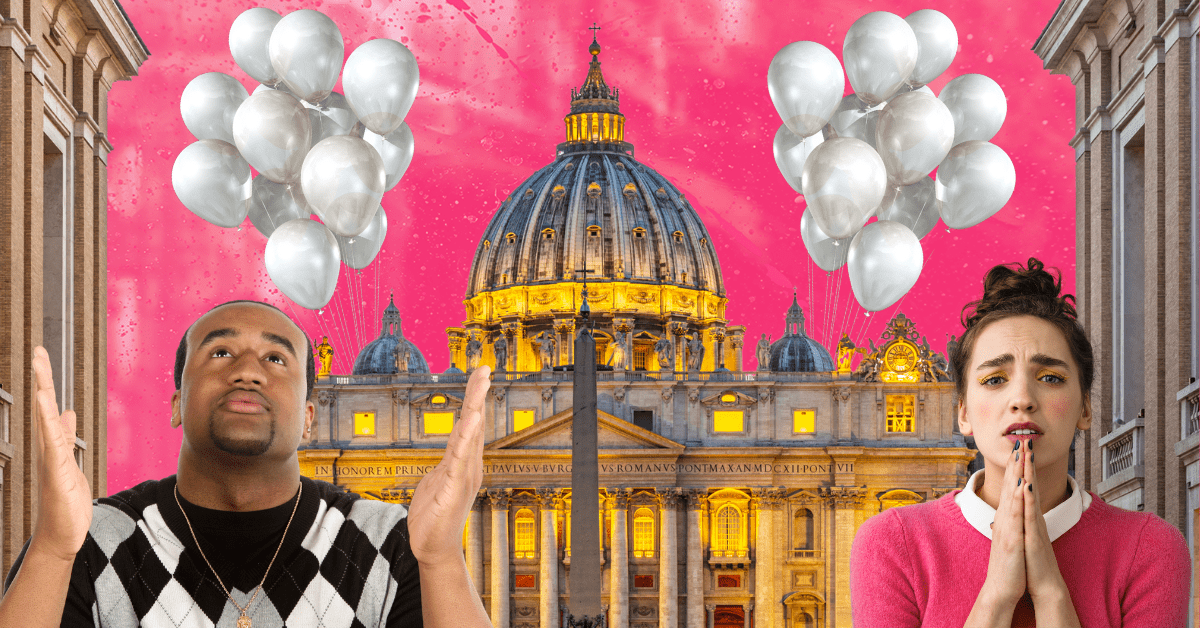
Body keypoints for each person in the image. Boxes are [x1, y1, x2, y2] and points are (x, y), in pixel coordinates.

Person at [0, 300, 495, 628]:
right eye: (220, 351)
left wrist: (442, 560)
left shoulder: (392, 541)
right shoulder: (84, 539)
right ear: (175, 403)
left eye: (276, 359)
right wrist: (51, 551)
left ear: (308, 419)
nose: (247, 371)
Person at [849, 259, 1191, 628]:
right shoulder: (892, 543)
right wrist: (996, 593)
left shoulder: (1150, 547)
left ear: (1085, 407)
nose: (1023, 398)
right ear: (963, 412)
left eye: (1050, 377)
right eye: (995, 380)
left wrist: (1050, 591)